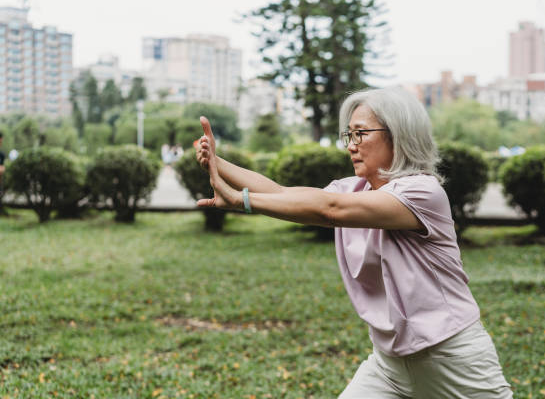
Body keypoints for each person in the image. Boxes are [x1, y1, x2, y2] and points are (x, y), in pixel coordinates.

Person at [195, 87, 512, 398]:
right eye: (349, 135)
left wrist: (242, 201)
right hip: (390, 366)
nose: (351, 145)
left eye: (361, 134)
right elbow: (281, 193)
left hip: (451, 355)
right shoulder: (355, 189)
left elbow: (329, 210)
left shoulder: (422, 192)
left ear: (398, 135)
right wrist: (218, 163)